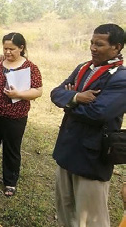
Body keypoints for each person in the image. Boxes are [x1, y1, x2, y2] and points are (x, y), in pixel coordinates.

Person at [51, 23, 126, 227]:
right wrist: (76, 97)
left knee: (91, 219)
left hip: (92, 157)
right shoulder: (83, 68)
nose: (92, 48)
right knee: (65, 211)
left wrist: (69, 103)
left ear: (116, 47)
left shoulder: (121, 78)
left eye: (99, 44)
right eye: (92, 42)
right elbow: (56, 93)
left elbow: (98, 113)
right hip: (67, 150)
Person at [0, 32, 43, 197]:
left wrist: (19, 95)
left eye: (12, 49)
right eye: (5, 48)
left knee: (11, 148)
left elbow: (38, 91)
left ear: (21, 48)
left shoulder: (30, 68)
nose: (8, 52)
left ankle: (10, 181)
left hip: (15, 115)